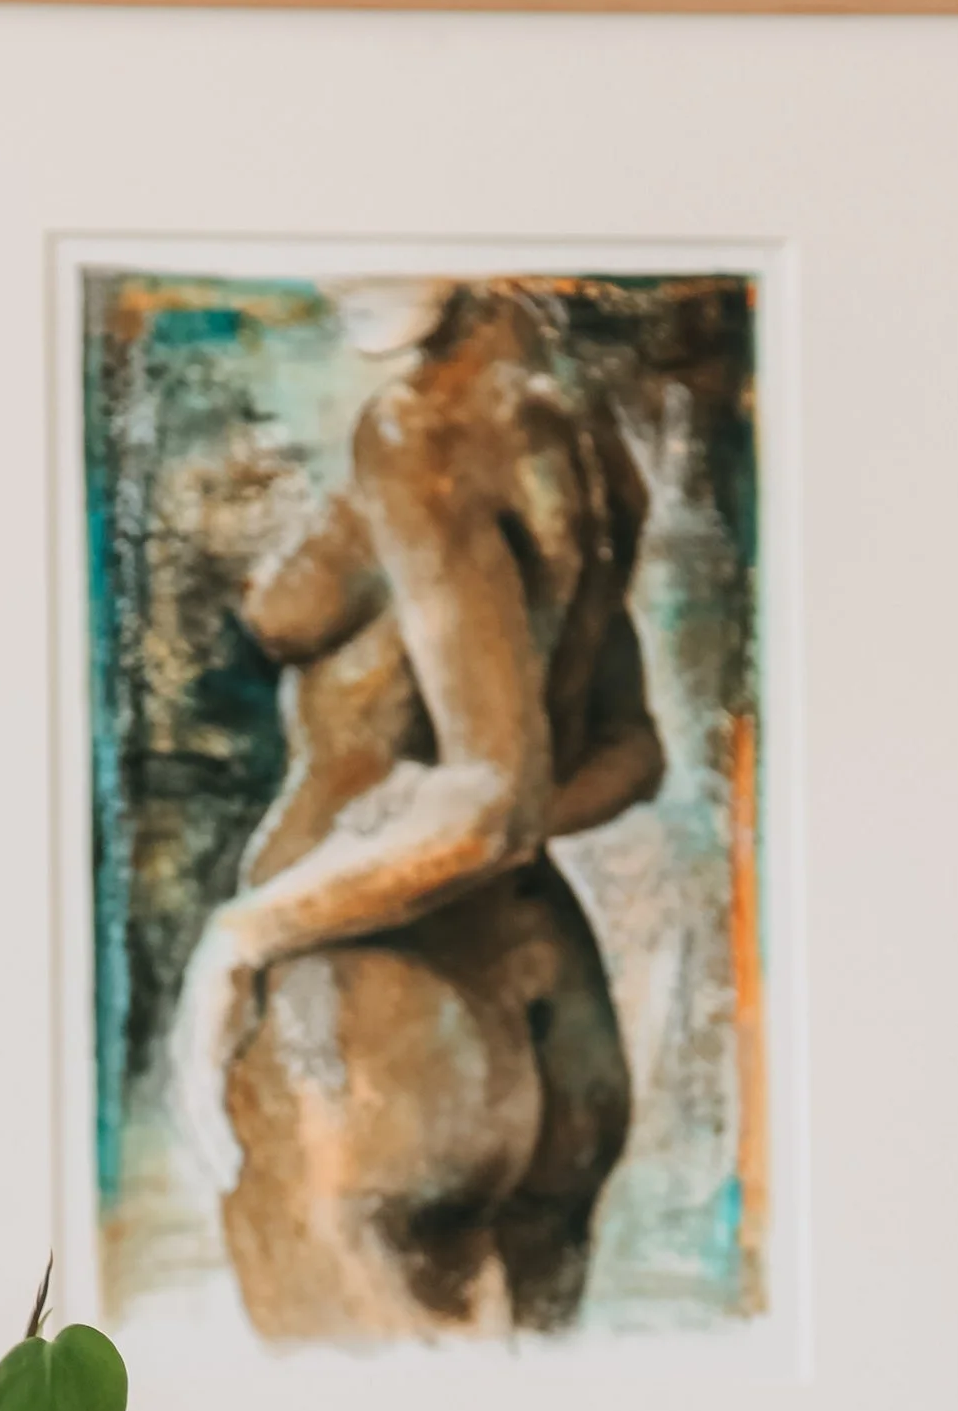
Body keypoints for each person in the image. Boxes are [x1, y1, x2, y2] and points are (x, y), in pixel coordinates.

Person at [170, 278, 663, 1343]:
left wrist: (238, 940)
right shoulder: (583, 446)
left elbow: (488, 799)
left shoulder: (417, 433)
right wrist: (505, 825)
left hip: (375, 1009)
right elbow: (631, 753)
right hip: (553, 1008)